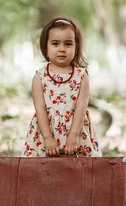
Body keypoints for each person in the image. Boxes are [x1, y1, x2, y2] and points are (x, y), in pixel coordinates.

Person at [23, 17, 102, 157]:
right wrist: (47, 137)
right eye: (55, 44)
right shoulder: (40, 77)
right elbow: (39, 108)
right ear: (45, 47)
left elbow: (81, 106)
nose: (62, 49)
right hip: (46, 131)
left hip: (76, 130)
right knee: (43, 170)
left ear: (76, 47)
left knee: (79, 169)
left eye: (68, 44)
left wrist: (74, 134)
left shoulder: (81, 76)